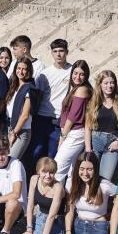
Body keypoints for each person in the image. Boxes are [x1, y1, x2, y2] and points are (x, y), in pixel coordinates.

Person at [46, 152, 115, 234]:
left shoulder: (105, 185)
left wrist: (111, 217)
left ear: (95, 169)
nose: (85, 173)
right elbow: (70, 210)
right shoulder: (73, 183)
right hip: (77, 227)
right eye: (82, 169)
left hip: (98, 231)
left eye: (89, 169)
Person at [28, 38, 71, 170]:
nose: (58, 54)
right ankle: (34, 182)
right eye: (55, 51)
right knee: (37, 152)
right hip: (42, 118)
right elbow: (37, 97)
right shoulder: (44, 74)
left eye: (61, 51)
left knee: (53, 156)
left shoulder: (72, 71)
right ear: (51, 53)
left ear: (66, 52)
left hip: (59, 121)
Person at [13, 157, 65, 234]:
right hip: (39, 220)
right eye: (44, 172)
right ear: (38, 171)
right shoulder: (34, 179)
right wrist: (29, 229)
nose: (48, 175)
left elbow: (52, 215)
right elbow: (30, 205)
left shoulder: (58, 187)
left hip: (55, 223)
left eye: (51, 172)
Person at [54, 60, 92, 184]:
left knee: (58, 168)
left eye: (81, 74)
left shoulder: (81, 90)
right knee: (72, 172)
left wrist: (62, 137)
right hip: (70, 132)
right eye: (75, 73)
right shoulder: (75, 89)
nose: (77, 77)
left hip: (74, 133)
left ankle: (52, 199)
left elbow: (72, 117)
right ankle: (68, 200)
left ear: (86, 76)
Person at [84, 70, 118, 184]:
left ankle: (102, 201)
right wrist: (88, 149)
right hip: (95, 141)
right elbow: (87, 127)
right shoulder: (93, 102)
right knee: (90, 177)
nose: (109, 86)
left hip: (112, 143)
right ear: (100, 85)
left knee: (105, 179)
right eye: (106, 83)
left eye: (112, 82)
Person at [6, 58, 34, 163]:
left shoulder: (29, 88)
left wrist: (14, 133)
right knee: (4, 161)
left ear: (28, 71)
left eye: (24, 69)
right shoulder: (13, 85)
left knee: (11, 161)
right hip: (9, 127)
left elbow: (25, 115)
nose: (21, 72)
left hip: (21, 131)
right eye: (18, 68)